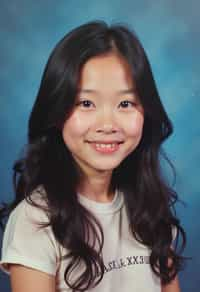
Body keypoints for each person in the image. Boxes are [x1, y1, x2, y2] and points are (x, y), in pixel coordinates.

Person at [0, 20, 186, 292]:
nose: (108, 124)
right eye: (86, 103)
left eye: (125, 103)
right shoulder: (35, 221)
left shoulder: (149, 206)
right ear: (56, 111)